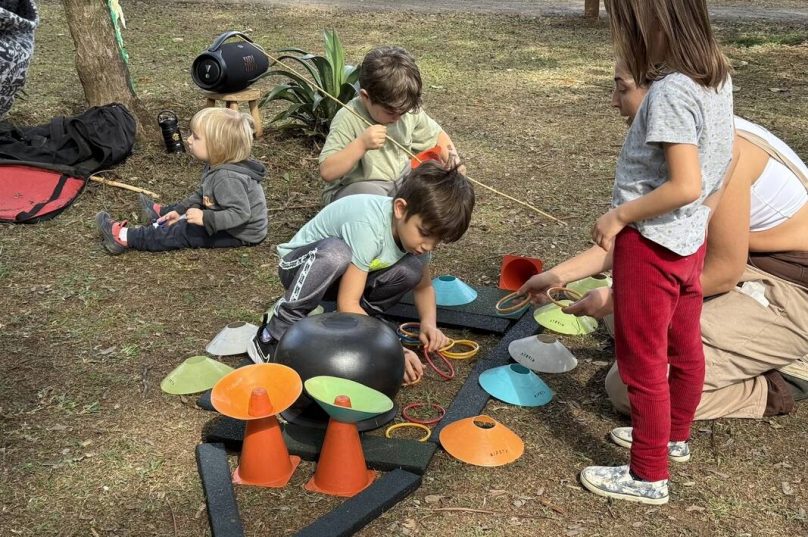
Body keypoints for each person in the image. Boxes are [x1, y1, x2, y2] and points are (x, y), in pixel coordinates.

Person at [523, 0, 735, 505]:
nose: (625, 37)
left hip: (653, 245)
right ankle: (672, 440)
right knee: (685, 348)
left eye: (626, 24)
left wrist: (620, 217)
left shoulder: (669, 92)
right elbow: (719, 166)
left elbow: (684, 183)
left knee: (642, 363)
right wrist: (698, 217)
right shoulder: (717, 77)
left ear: (652, 23)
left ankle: (647, 475)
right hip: (689, 242)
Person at [535, 60, 808, 421]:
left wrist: (622, 297)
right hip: (742, 264)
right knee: (622, 318)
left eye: (622, 87)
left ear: (662, 93)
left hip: (786, 286)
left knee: (630, 389)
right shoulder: (679, 140)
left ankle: (784, 380)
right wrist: (558, 276)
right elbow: (647, 237)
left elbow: (724, 272)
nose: (613, 101)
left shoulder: (724, 151)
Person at [247, 162, 475, 385]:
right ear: (400, 209)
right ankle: (272, 334)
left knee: (411, 269)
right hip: (299, 267)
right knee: (336, 253)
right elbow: (348, 302)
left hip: (340, 279)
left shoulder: (416, 241)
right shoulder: (368, 225)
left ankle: (359, 329)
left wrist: (429, 324)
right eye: (425, 233)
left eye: (438, 241)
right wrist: (395, 349)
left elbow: (424, 287)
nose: (428, 245)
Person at [95, 108, 267, 254]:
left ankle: (124, 238)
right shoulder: (217, 166)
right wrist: (179, 211)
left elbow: (240, 214)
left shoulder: (228, 178)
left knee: (183, 230)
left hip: (239, 233)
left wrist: (205, 218)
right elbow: (202, 195)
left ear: (218, 147)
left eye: (196, 137)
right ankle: (162, 214)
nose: (188, 139)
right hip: (227, 222)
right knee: (186, 215)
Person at [318, 45, 463, 205]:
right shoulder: (348, 117)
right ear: (366, 96)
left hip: (398, 181)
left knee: (434, 179)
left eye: (403, 111)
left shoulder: (404, 111)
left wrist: (454, 161)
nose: (398, 118)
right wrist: (361, 144)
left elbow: (437, 136)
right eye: (391, 112)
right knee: (371, 196)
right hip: (355, 190)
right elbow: (327, 171)